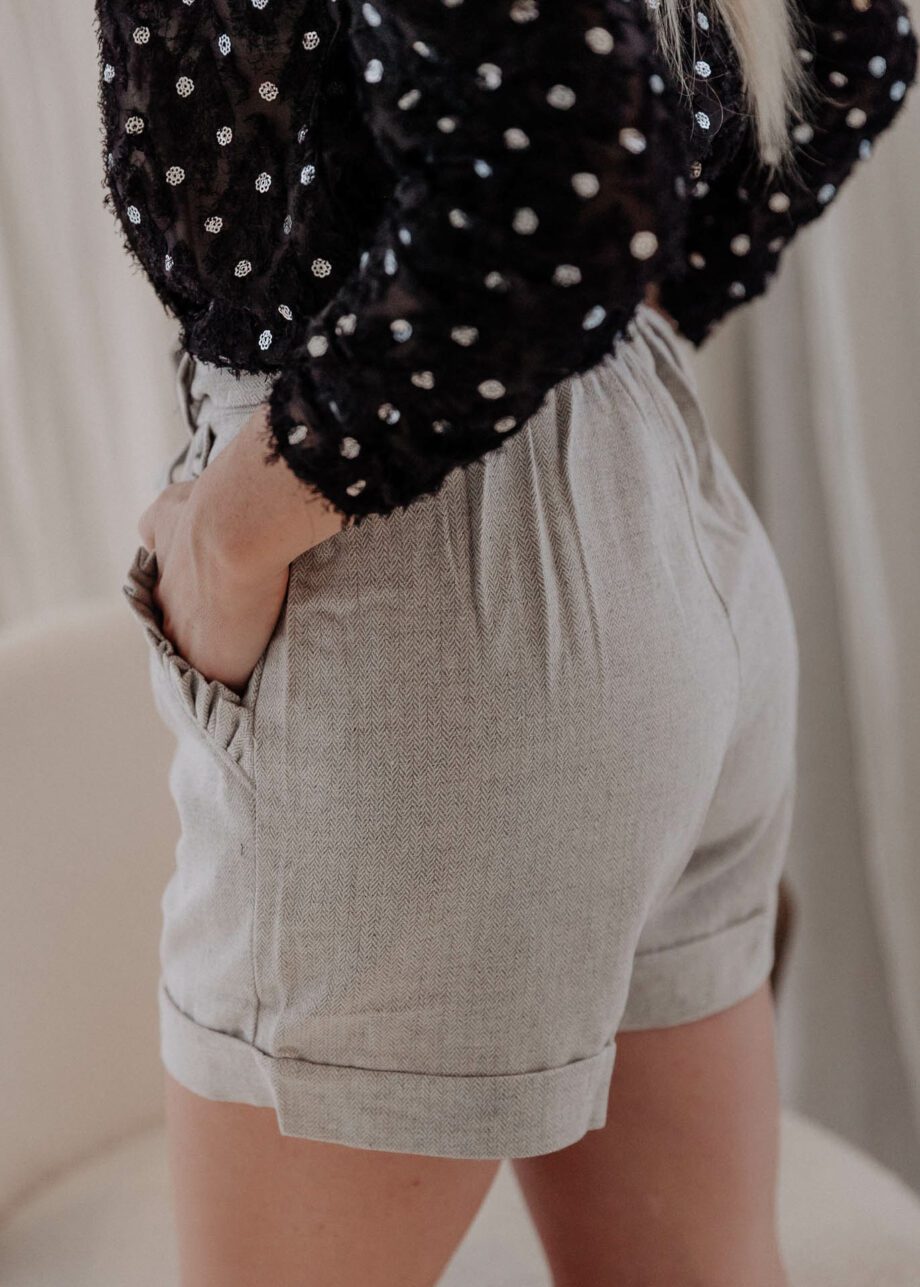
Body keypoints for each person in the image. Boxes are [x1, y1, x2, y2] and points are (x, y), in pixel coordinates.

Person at [98, 0, 916, 1282]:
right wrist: (589, 339)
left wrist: (227, 537)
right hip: (654, 533)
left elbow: (569, 176)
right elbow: (848, 39)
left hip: (414, 596)